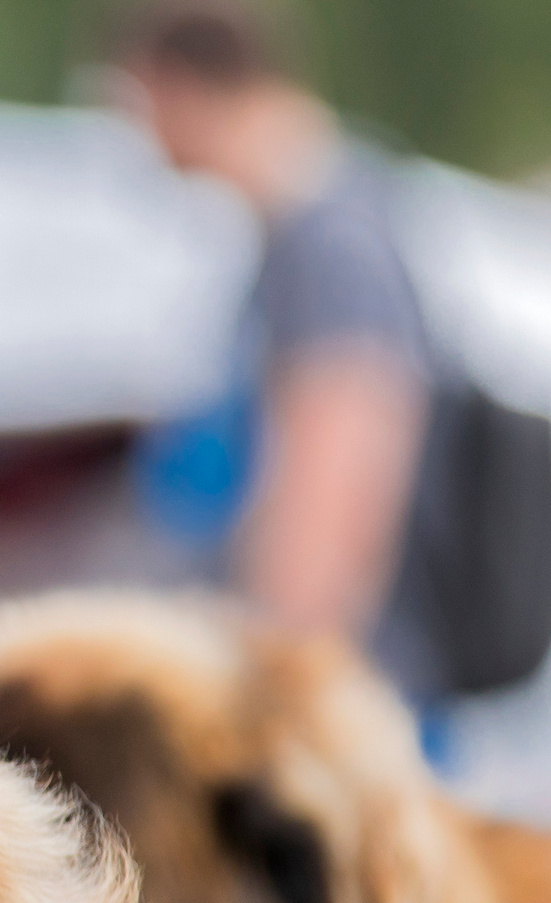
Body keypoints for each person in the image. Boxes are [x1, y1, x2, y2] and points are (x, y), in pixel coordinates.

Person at [111, 0, 443, 696]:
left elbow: (331, 514)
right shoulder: (312, 231)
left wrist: (263, 710)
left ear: (176, 88)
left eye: (135, 102)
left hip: (338, 713)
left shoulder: (327, 248)